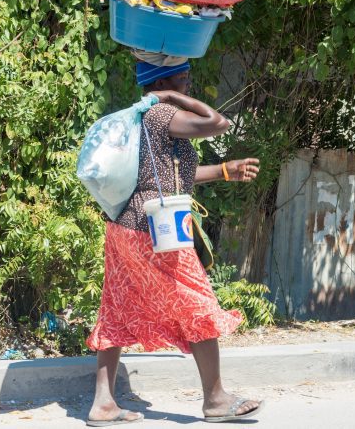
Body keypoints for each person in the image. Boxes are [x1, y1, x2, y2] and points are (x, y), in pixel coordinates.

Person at [85, 57, 263, 426]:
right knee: (196, 302)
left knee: (117, 305)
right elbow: (218, 122)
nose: (189, 79)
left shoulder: (144, 118)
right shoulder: (161, 115)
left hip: (124, 226)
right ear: (162, 80)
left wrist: (225, 171)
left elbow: (172, 174)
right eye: (182, 75)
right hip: (156, 228)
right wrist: (170, 97)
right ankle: (215, 399)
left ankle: (103, 403)